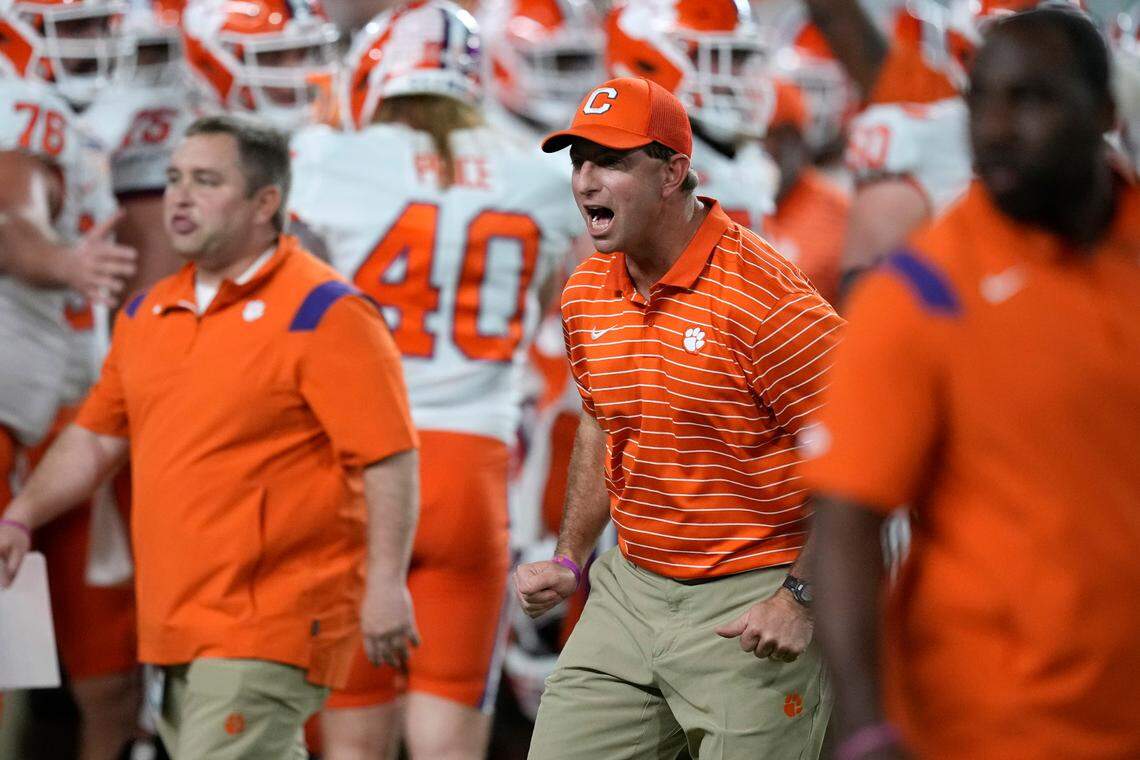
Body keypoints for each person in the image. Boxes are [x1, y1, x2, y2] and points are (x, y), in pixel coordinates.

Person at [0, 113, 421, 760]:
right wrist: (22, 517)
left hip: (268, 623)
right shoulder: (147, 312)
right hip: (176, 628)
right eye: (173, 179)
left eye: (205, 180)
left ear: (265, 202)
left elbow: (389, 458)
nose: (180, 196)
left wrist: (387, 584)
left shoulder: (325, 311)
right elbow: (94, 440)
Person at [805, 9, 1140, 760]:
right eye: (982, 99)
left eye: (1033, 99)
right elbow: (847, 523)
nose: (995, 126)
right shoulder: (921, 292)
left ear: (1107, 111)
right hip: (988, 726)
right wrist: (863, 726)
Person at [516, 75, 842, 760]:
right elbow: (603, 421)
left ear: (673, 174)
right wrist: (572, 558)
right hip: (630, 588)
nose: (586, 182)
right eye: (578, 161)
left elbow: (865, 450)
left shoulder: (763, 299)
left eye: (610, 161)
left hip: (752, 592)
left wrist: (801, 595)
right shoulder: (587, 292)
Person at [288, 2, 581, 758]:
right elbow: (548, 300)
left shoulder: (328, 157)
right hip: (476, 473)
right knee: (450, 746)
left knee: (352, 745)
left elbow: (299, 298)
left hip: (357, 465)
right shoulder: (544, 172)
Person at [604, 0, 779, 231]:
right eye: (715, 54)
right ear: (650, 60)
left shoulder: (750, 162)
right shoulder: (612, 168)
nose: (736, 74)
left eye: (740, 57)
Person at [762, 78, 849, 304]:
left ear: (797, 141)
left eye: (772, 136)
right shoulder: (722, 198)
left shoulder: (839, 215)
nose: (763, 150)